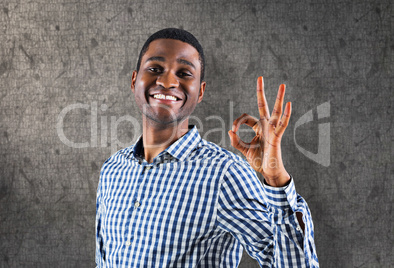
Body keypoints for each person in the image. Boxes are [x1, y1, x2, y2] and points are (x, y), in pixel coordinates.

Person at [96, 28, 318, 267]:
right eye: (155, 69)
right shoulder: (112, 170)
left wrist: (276, 179)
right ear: (134, 80)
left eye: (184, 73)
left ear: (200, 92)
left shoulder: (224, 174)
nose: (168, 81)